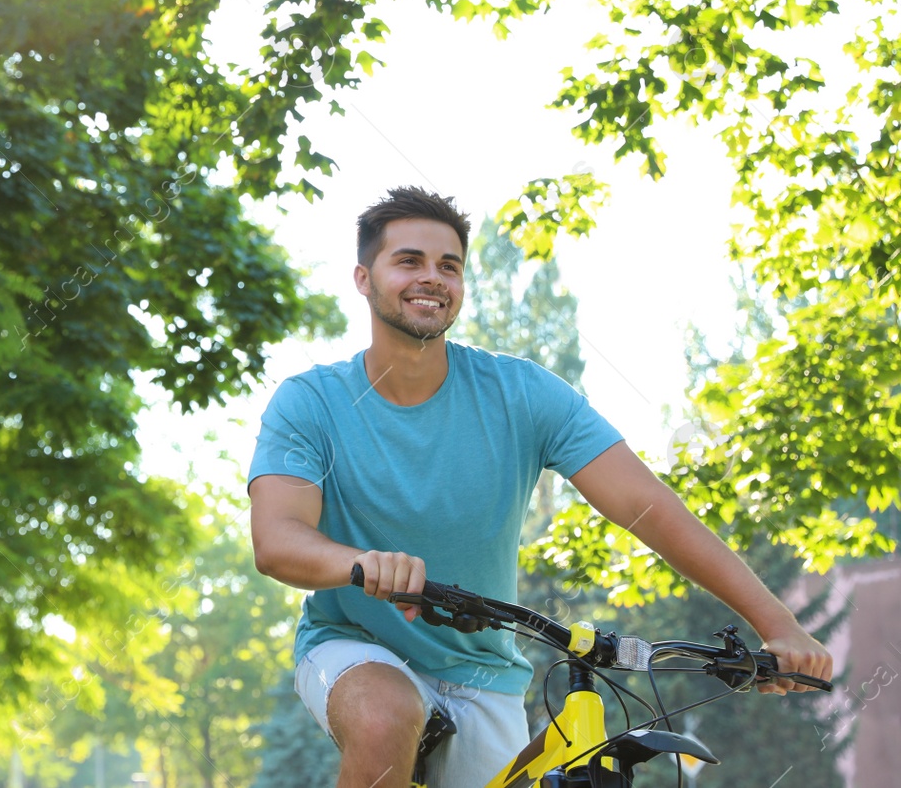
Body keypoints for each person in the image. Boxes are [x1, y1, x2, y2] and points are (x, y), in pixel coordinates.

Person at [246, 186, 833, 788]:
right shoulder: (311, 402)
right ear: (364, 279)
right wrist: (363, 562)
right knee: (384, 715)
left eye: (449, 265)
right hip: (352, 643)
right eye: (409, 261)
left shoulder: (522, 394)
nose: (433, 278)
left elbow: (647, 507)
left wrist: (778, 625)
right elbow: (278, 538)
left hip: (483, 670)